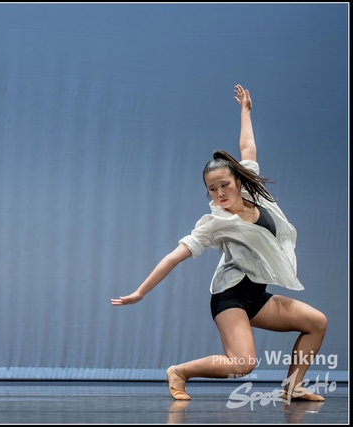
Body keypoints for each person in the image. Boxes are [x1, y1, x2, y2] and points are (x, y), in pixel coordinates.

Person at [110, 85, 328, 402]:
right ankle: (179, 372)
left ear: (237, 180)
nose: (219, 193)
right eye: (212, 189)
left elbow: (247, 146)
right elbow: (174, 256)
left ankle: (292, 388)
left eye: (224, 185)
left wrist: (245, 110)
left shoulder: (255, 193)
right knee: (243, 364)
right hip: (230, 297)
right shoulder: (216, 222)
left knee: (316, 323)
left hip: (257, 297)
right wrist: (140, 292)